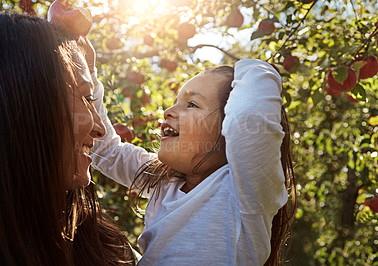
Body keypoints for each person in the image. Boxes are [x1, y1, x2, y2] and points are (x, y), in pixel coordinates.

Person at [91, 46, 297, 264]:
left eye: (191, 104)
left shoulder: (246, 191)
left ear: (229, 128)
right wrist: (87, 71)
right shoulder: (165, 182)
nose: (168, 111)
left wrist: (255, 67)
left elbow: (250, 117)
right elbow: (106, 151)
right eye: (176, 101)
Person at [0, 12, 136, 265]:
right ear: (26, 101)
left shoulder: (97, 240)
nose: (100, 129)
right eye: (85, 99)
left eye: (91, 99)